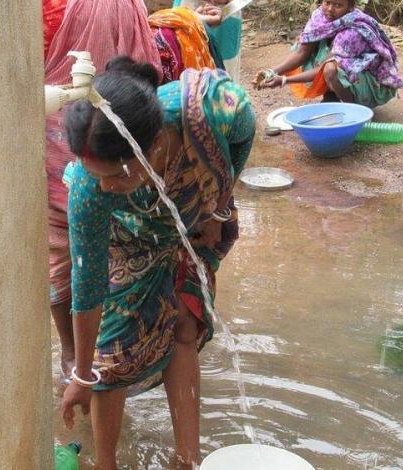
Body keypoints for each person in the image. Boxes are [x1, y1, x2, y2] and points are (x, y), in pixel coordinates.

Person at [60, 56, 255, 469]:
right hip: (128, 241)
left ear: (149, 148)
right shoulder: (88, 191)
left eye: (117, 176)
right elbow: (88, 285)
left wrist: (218, 206)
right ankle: (106, 463)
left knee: (184, 320)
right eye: (94, 176)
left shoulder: (206, 108)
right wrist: (81, 374)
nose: (106, 187)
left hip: (196, 220)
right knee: (112, 353)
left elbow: (246, 128)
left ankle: (188, 459)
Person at [45, 0, 163, 382]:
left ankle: (114, 345)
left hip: (113, 136)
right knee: (72, 256)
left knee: (107, 247)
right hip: (67, 139)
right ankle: (76, 353)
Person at [253, 0, 403, 108]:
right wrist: (271, 72)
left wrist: (284, 80)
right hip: (346, 69)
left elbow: (323, 69)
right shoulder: (319, 17)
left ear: (351, 6)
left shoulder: (353, 30)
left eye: (337, 5)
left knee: (330, 69)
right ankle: (332, 96)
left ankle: (354, 111)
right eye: (327, 2)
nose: (330, 9)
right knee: (306, 43)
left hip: (369, 81)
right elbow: (302, 53)